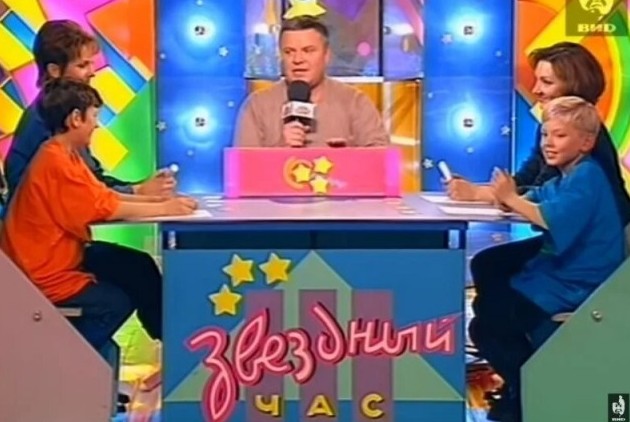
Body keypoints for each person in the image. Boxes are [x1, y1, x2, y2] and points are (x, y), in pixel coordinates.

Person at [454, 42, 630, 403]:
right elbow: (535, 187)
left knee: (492, 315)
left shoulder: (587, 167)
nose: (549, 142)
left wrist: (509, 198)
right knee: (489, 290)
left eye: (546, 82)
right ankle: (523, 385)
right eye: (547, 135)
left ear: (584, 140)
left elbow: (551, 212)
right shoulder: (565, 154)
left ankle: (531, 389)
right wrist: (485, 193)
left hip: (582, 268)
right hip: (567, 259)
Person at [0, 79, 197, 355]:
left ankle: (172, 343)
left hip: (65, 255)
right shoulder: (55, 162)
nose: (97, 125)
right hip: (45, 271)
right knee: (115, 302)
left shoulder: (66, 154)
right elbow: (105, 207)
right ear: (75, 118)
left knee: (139, 266)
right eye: (94, 117)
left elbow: (103, 195)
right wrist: (165, 209)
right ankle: (68, 356)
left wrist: (158, 201)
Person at [4, 19, 175, 201]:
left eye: (91, 64)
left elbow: (93, 181)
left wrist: (140, 188)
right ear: (54, 70)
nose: (92, 72)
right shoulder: (47, 121)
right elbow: (80, 195)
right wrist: (138, 192)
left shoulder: (64, 113)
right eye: (82, 65)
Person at [235, 16, 390, 148]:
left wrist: (348, 156)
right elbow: (244, 168)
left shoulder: (355, 103)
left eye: (308, 50)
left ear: (326, 55)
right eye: (289, 52)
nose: (298, 60)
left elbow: (381, 161)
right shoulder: (258, 106)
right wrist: (280, 148)